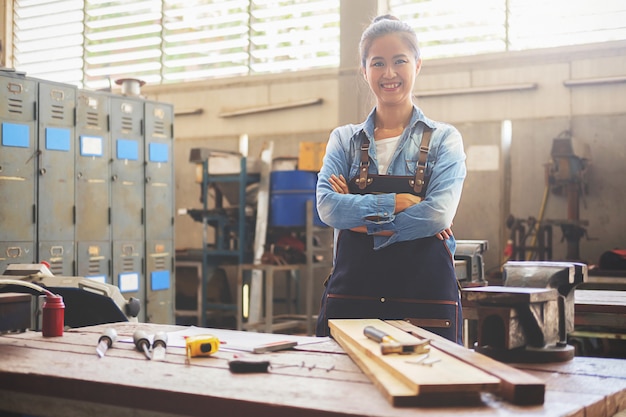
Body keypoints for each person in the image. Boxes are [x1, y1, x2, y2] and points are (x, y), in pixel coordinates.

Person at [315, 15, 467, 344]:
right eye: (378, 63)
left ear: (418, 64)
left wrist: (357, 215)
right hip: (352, 303)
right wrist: (397, 204)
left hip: (425, 303)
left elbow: (437, 214)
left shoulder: (444, 139)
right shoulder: (344, 141)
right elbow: (328, 208)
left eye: (400, 61)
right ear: (364, 69)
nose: (389, 73)